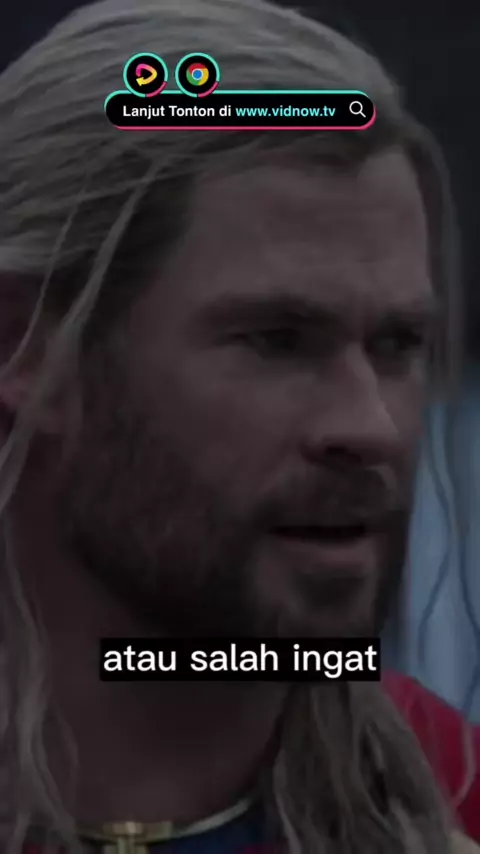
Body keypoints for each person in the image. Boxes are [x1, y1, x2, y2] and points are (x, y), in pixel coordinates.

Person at [0, 0, 477, 852]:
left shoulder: (456, 799)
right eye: (277, 340)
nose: (369, 425)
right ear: (23, 346)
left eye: (398, 344)